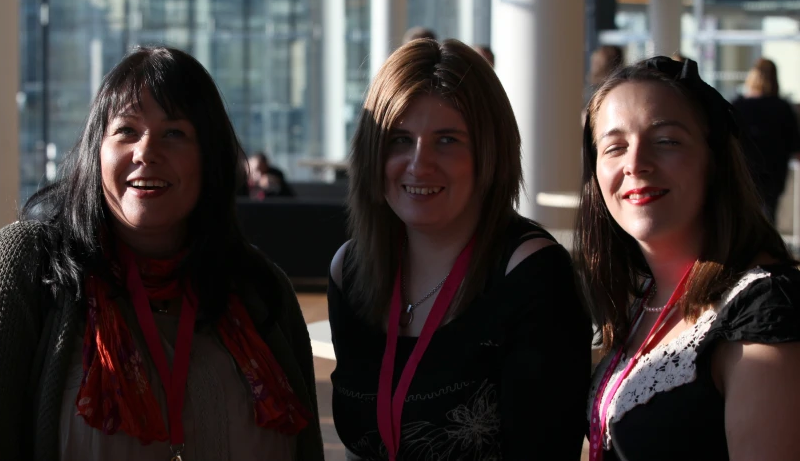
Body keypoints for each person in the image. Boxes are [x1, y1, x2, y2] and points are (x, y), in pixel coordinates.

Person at [0, 47, 324, 460]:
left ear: (210, 158)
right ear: (96, 149)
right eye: (127, 130)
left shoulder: (259, 286)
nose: (146, 152)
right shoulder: (26, 264)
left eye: (174, 133)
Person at [328, 38, 592, 460]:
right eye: (399, 139)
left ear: (489, 151)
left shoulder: (532, 276)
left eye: (446, 140)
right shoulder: (351, 271)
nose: (419, 163)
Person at [577, 56, 800, 461]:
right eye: (615, 147)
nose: (636, 163)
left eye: (666, 141)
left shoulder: (764, 306)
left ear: (713, 161)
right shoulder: (643, 294)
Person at [732, 58, 800, 222]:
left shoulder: (738, 106)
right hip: (774, 173)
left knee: (742, 217)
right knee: (768, 218)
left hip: (744, 170)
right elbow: (794, 145)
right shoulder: (782, 108)